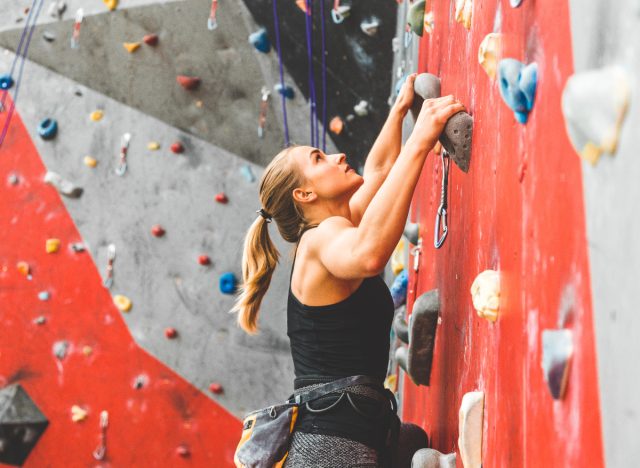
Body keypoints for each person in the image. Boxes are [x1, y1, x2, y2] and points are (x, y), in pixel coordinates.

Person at [231, 73, 465, 467]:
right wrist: (420, 140)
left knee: (412, 441)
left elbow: (379, 172)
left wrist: (400, 112)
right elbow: (371, 254)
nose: (337, 156)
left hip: (352, 427)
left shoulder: (338, 225)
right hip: (329, 447)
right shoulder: (319, 243)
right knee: (412, 447)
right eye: (318, 159)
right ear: (304, 195)